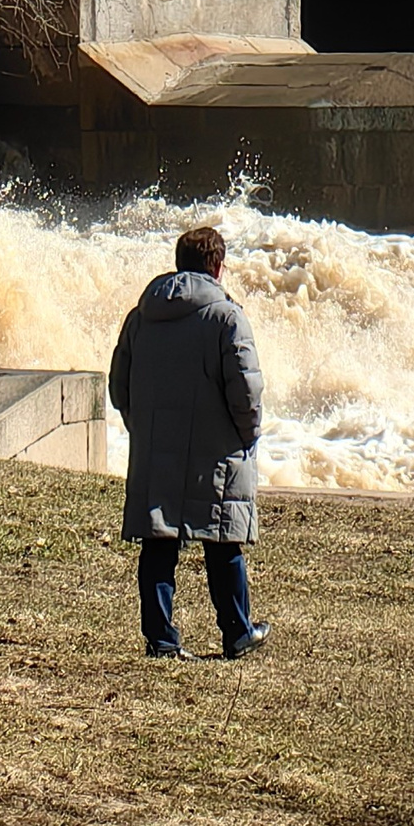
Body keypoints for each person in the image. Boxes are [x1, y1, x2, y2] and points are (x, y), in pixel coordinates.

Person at [109, 223, 271, 662]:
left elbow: (118, 387)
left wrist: (143, 427)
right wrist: (247, 433)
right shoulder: (227, 317)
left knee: (158, 539)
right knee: (222, 540)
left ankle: (161, 640)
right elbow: (246, 390)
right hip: (215, 446)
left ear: (180, 263)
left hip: (157, 443)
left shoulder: (141, 316)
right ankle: (237, 631)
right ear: (218, 267)